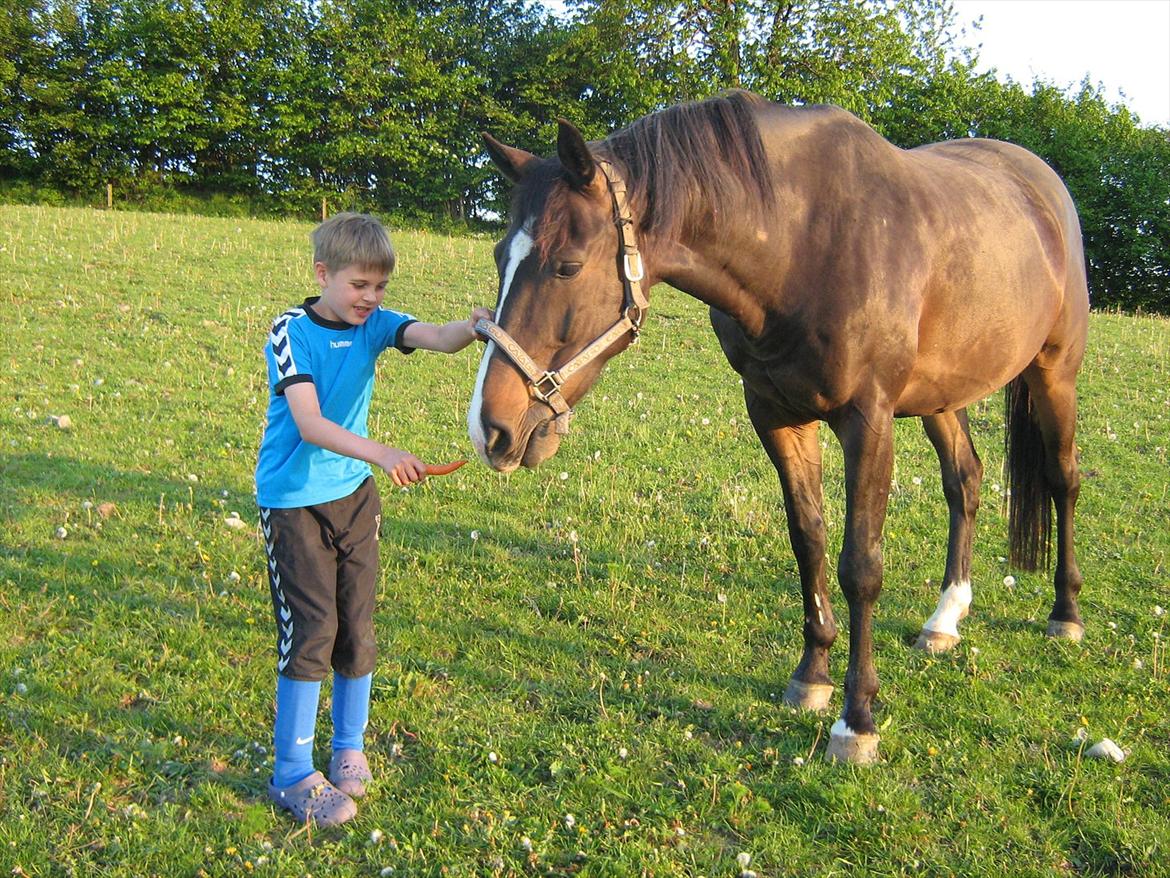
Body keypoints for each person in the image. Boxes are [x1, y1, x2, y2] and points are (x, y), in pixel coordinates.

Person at [255, 212, 491, 826]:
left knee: (356, 627)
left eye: (380, 287)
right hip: (294, 503)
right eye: (360, 285)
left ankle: (347, 747)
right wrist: (384, 452)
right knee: (312, 630)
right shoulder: (290, 332)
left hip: (354, 498)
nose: (371, 298)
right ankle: (291, 775)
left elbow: (435, 336)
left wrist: (474, 327)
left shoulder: (377, 326)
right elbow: (308, 423)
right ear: (323, 274)